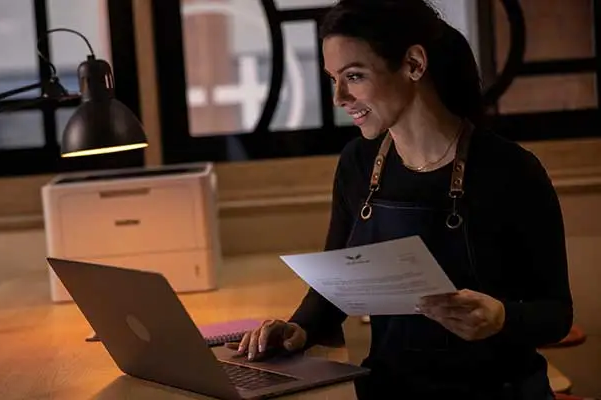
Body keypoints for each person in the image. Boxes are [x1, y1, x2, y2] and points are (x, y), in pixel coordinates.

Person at [227, 0, 574, 399]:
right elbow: (336, 286)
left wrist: (501, 317)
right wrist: (297, 329)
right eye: (333, 78)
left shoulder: (510, 171)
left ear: (413, 64)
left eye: (354, 76)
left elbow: (556, 314)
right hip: (390, 390)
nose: (339, 96)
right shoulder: (357, 164)